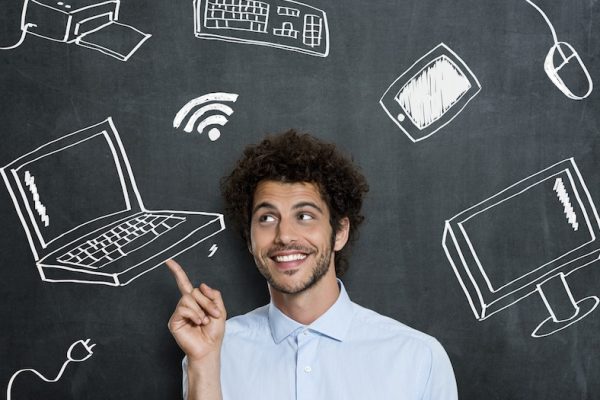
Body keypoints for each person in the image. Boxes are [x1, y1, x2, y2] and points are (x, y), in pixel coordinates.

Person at [166, 130, 458, 400]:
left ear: (340, 232)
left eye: (304, 215)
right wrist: (203, 364)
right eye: (267, 218)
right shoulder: (213, 351)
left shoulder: (418, 358)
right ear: (250, 238)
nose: (285, 236)